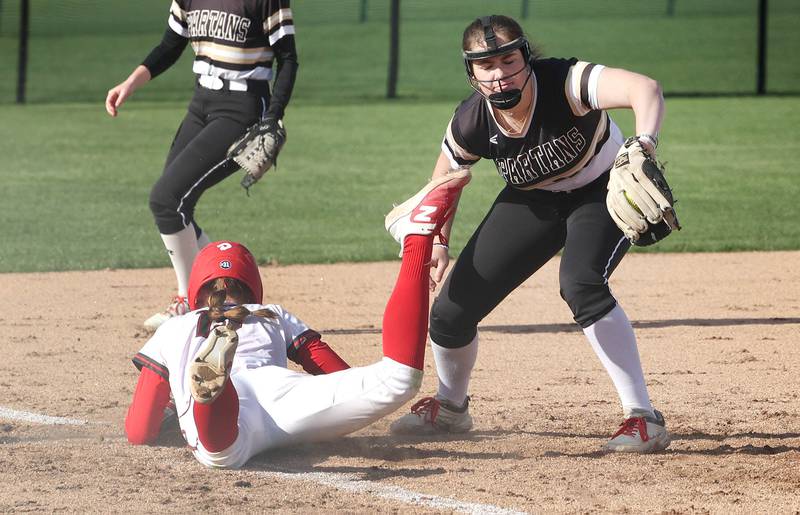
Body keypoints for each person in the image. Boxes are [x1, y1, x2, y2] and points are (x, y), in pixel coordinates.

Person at [389, 15, 671, 453]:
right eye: (486, 65)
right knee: (449, 313)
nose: (500, 74)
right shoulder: (473, 120)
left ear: (526, 57)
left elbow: (644, 88)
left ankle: (643, 419)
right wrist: (440, 242)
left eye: (508, 59)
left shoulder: (564, 81)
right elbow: (446, 177)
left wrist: (643, 143)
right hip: (532, 200)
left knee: (581, 283)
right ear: (472, 73)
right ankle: (450, 407)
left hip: (600, 190)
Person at [124, 169, 472, 469]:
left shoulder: (175, 327)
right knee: (397, 380)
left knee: (222, 452)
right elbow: (335, 372)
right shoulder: (270, 313)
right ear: (252, 285)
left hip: (237, 411)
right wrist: (343, 405)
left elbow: (140, 429)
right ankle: (418, 237)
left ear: (198, 291)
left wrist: (168, 415)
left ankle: (215, 392)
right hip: (283, 393)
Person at [105, 1, 299, 331]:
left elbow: (288, 58)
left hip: (243, 108)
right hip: (201, 104)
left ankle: (188, 301)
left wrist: (273, 116)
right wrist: (130, 83)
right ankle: (222, 290)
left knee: (166, 200)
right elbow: (171, 44)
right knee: (176, 206)